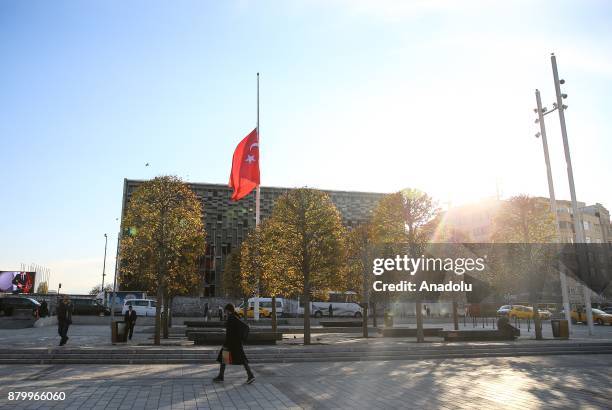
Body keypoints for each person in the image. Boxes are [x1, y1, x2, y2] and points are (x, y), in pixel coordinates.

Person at [213, 303, 254, 384]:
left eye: (225, 310)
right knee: (233, 359)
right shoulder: (234, 317)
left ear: (228, 310)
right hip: (235, 343)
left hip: (231, 343)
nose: (225, 312)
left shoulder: (231, 318)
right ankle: (250, 375)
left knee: (226, 358)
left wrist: (226, 344)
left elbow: (231, 333)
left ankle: (250, 375)